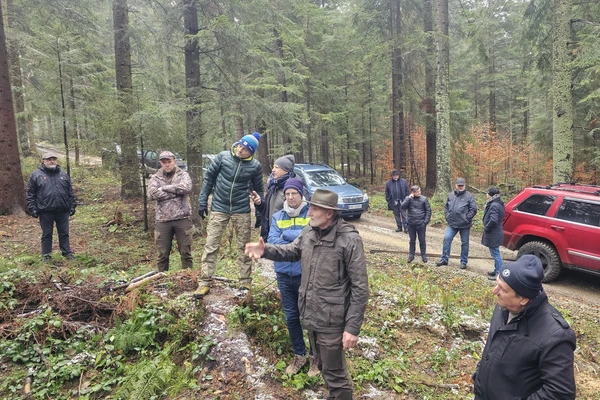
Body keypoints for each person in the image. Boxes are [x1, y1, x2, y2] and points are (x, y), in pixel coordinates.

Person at [246, 189, 368, 400]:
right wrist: (265, 250)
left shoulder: (349, 240)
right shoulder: (309, 232)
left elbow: (360, 287)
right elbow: (291, 251)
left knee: (336, 374)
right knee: (323, 365)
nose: (309, 212)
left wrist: (352, 328)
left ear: (329, 213)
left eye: (314, 208)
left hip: (333, 319)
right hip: (312, 314)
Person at [473, 255, 576, 399]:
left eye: (502, 289)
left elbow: (560, 393)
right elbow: (492, 346)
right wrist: (479, 376)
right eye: (497, 283)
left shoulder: (555, 336)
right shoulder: (503, 307)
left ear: (523, 299)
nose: (495, 291)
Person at [195, 132, 264, 297]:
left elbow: (258, 189)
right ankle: (204, 282)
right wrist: (203, 201)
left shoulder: (255, 166)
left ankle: (245, 282)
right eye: (240, 145)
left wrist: (261, 210)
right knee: (211, 244)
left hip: (241, 210)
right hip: (219, 207)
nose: (241, 150)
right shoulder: (222, 157)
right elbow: (209, 178)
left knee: (244, 246)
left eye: (245, 149)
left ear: (251, 152)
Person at [266, 177, 318, 377]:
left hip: (305, 273)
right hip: (283, 273)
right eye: (287, 194)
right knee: (291, 317)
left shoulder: (310, 214)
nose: (290, 197)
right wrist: (297, 237)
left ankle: (315, 357)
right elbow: (272, 240)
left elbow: (311, 237)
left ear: (301, 194)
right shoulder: (277, 216)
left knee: (310, 317)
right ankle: (299, 354)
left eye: (293, 193)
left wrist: (286, 236)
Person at [26, 152, 76, 263]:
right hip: (45, 210)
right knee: (47, 234)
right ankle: (46, 255)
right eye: (49, 159)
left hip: (62, 210)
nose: (52, 161)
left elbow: (70, 192)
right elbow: (30, 193)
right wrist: (32, 208)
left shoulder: (63, 175)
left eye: (54, 159)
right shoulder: (36, 175)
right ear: (43, 160)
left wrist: (72, 206)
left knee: (64, 233)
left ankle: (66, 252)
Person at [147, 151, 193, 272]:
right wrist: (175, 193)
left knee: (186, 252)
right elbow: (152, 194)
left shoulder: (183, 175)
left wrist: (165, 188)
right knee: (162, 254)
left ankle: (188, 278)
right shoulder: (155, 177)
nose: (167, 165)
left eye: (169, 162)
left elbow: (186, 188)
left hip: (182, 218)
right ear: (160, 163)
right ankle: (162, 280)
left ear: (174, 161)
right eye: (164, 162)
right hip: (163, 220)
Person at [435, 177, 477, 269]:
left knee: (465, 243)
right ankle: (444, 259)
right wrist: (447, 216)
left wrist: (466, 218)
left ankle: (463, 262)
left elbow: (473, 209)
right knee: (447, 239)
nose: (461, 187)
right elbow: (446, 207)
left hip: (465, 224)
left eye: (462, 185)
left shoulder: (469, 196)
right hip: (452, 223)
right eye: (459, 185)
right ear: (456, 185)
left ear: (465, 185)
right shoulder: (450, 195)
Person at [253, 154, 295, 241]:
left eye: (276, 167)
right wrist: (260, 203)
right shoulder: (273, 186)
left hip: (284, 239)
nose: (273, 170)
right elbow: (267, 209)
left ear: (286, 170)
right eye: (273, 167)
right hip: (270, 235)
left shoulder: (294, 190)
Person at [400, 185, 431, 263]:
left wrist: (425, 222)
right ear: (413, 192)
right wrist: (408, 198)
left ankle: (423, 255)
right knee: (412, 240)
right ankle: (411, 255)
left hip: (421, 223)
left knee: (422, 240)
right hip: (411, 223)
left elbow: (428, 211)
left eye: (419, 191)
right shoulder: (409, 199)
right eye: (417, 192)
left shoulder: (424, 199)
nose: (419, 193)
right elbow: (402, 207)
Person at [482, 186, 505, 280]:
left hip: (494, 233)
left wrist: (486, 228)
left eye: (487, 193)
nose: (486, 194)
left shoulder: (494, 205)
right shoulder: (498, 203)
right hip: (496, 232)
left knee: (496, 254)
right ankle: (496, 270)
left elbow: (493, 220)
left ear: (490, 195)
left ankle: (499, 274)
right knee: (495, 253)